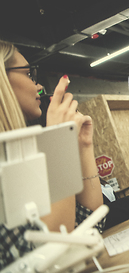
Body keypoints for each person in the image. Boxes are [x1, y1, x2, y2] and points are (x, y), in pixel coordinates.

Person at [0, 40, 102, 268]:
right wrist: (59, 139)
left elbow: (90, 226)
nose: (39, 86)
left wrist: (83, 146)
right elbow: (50, 256)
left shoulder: (23, 155)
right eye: (28, 74)